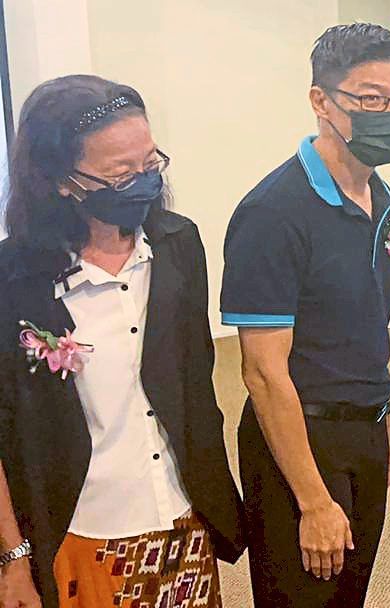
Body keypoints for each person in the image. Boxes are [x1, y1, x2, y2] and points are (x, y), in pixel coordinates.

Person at [0, 75, 244, 608]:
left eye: (150, 165)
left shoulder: (179, 245)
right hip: (81, 530)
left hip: (182, 518)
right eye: (120, 174)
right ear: (62, 181)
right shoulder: (12, 279)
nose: (142, 182)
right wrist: (11, 559)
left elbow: (195, 386)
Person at [220, 24, 390, 607]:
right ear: (321, 101)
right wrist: (312, 500)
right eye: (369, 99)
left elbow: (361, 332)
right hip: (299, 444)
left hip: (362, 431)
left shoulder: (380, 199)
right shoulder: (273, 213)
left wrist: (378, 427)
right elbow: (261, 373)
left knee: (347, 596)